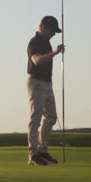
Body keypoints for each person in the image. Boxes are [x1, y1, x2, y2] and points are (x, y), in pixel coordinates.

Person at [26, 16, 65, 166]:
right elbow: (37, 60)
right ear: (42, 27)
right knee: (35, 119)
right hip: (35, 83)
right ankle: (33, 154)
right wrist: (55, 53)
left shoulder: (47, 43)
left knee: (51, 117)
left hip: (47, 84)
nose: (53, 34)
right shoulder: (33, 43)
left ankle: (42, 150)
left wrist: (54, 52)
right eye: (52, 30)